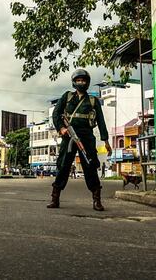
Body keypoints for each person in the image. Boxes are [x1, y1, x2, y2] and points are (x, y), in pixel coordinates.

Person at [47, 69, 112, 211]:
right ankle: (55, 198)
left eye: (83, 80)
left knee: (90, 166)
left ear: (87, 83)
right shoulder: (67, 96)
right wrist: (61, 128)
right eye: (78, 80)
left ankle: (97, 200)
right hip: (68, 136)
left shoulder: (93, 101)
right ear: (74, 82)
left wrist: (106, 141)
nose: (81, 83)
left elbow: (101, 122)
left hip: (86, 137)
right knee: (63, 166)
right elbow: (56, 114)